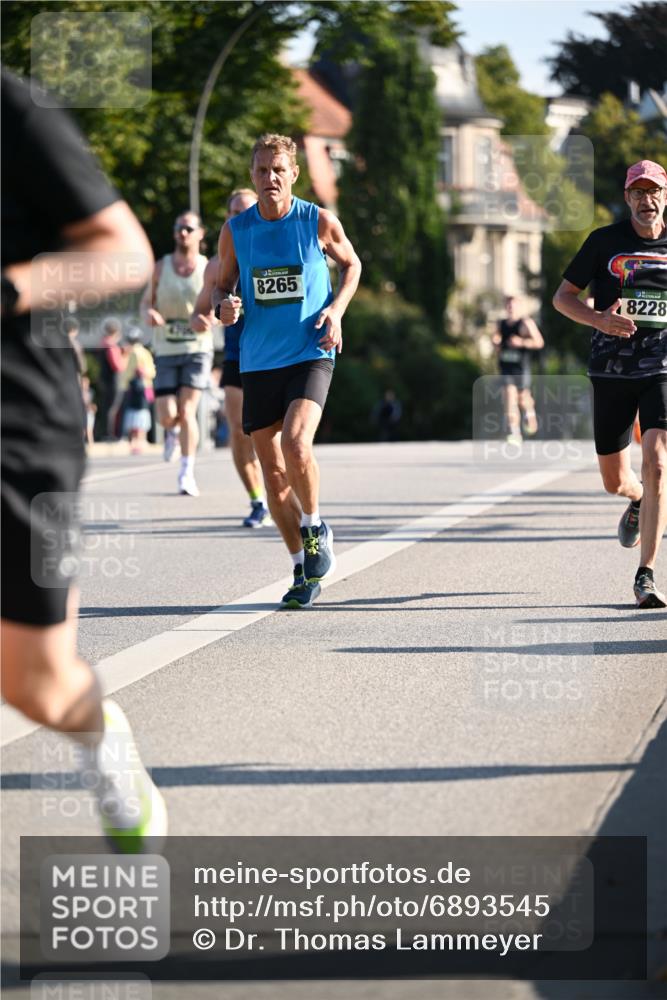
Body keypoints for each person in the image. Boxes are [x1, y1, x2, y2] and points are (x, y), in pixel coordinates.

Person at [1, 69, 167, 849]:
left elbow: (123, 256)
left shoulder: (13, 106)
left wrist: (10, 289)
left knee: (34, 684)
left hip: (17, 425)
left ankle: (100, 732)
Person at [214, 134, 361, 608]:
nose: (270, 178)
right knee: (273, 475)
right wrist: (225, 307)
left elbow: (352, 264)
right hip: (257, 359)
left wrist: (337, 310)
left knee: (297, 442)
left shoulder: (316, 221)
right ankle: (302, 569)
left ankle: (315, 526)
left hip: (310, 350)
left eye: (278, 170)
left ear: (293, 173)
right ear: (252, 174)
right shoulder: (237, 230)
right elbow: (221, 287)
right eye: (261, 170)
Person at [553, 159, 667, 609]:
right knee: (615, 481)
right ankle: (637, 500)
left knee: (657, 458)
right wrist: (599, 319)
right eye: (637, 193)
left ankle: (647, 574)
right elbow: (563, 298)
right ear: (627, 198)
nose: (646, 200)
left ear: (665, 196)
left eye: (653, 191)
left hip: (662, 366)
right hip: (611, 370)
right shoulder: (604, 242)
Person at [192, 188, 271, 527]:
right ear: (227, 219)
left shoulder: (273, 250)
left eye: (248, 211)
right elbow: (200, 310)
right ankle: (257, 501)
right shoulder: (215, 265)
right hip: (238, 355)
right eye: (235, 212)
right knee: (239, 431)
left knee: (273, 434)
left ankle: (281, 492)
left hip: (274, 354)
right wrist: (206, 316)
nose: (241, 217)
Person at [140, 210, 211, 496]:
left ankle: (186, 472)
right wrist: (150, 314)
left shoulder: (208, 267)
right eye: (179, 228)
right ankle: (170, 432)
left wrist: (209, 319)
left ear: (200, 234)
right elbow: (146, 303)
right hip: (166, 346)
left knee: (187, 410)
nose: (184, 233)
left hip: (197, 347)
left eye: (189, 229)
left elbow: (220, 307)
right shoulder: (161, 266)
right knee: (168, 414)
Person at [492, 295, 544, 444]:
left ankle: (530, 413)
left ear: (519, 307)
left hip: (521, 367)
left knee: (523, 398)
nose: (510, 308)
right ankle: (513, 431)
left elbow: (539, 342)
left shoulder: (525, 323)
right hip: (505, 367)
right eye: (508, 305)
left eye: (513, 305)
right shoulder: (500, 323)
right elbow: (495, 338)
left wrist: (521, 342)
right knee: (509, 395)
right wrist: (495, 341)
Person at [121, 327, 156, 454]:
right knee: (142, 414)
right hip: (146, 387)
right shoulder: (145, 352)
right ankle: (141, 441)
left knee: (135, 414)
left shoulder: (132, 352)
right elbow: (152, 371)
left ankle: (136, 442)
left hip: (135, 388)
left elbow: (127, 372)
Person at [98, 316, 127, 440]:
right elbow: (118, 366)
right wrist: (126, 355)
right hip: (113, 381)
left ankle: (106, 433)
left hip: (104, 380)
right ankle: (110, 434)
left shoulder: (102, 344)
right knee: (113, 408)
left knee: (107, 407)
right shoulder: (112, 346)